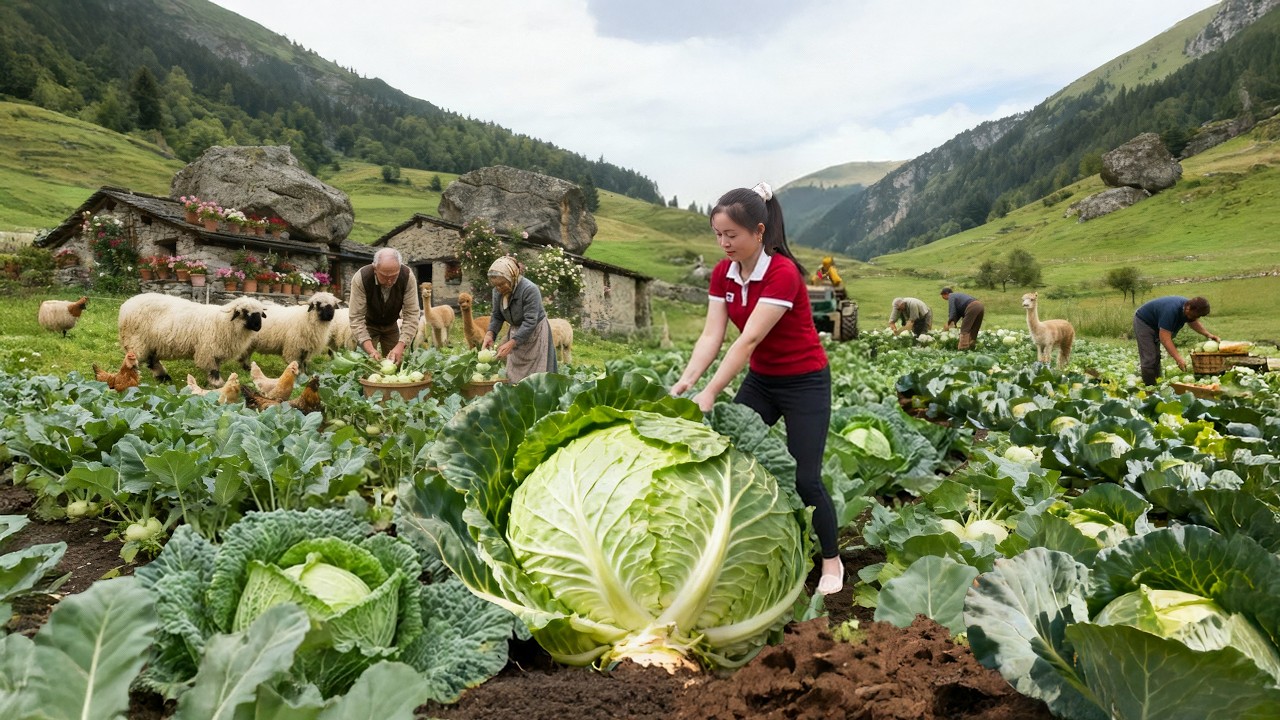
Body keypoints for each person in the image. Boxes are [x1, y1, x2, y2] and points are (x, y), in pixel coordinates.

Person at [670, 182, 843, 596]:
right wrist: (689, 379)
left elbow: (746, 341)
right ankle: (740, 539)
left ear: (759, 232)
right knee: (729, 456)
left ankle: (832, 562)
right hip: (763, 382)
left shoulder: (783, 273)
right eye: (718, 234)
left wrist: (710, 392)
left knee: (806, 478)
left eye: (732, 235)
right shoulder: (722, 274)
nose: (724, 243)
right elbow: (712, 336)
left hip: (804, 383)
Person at [482, 256, 557, 382]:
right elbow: (497, 315)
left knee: (537, 376)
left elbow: (530, 321)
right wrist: (490, 334)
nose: (499, 289)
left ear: (513, 277)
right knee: (514, 374)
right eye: (496, 286)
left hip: (535, 333)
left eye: (502, 284)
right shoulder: (497, 292)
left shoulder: (529, 290)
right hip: (516, 332)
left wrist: (511, 343)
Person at [348, 247, 420, 364]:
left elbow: (411, 314)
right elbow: (356, 318)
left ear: (399, 268)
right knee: (368, 364)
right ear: (375, 268)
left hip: (391, 325)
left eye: (394, 276)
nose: (389, 281)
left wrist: (401, 345)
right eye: (385, 276)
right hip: (368, 325)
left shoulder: (407, 276)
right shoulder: (361, 278)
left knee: (396, 363)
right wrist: (370, 350)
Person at [1133, 295, 1218, 385]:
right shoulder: (1170, 311)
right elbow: (1165, 339)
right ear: (1188, 308)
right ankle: (1149, 388)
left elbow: (1193, 322)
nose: (1195, 318)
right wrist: (1178, 359)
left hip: (1156, 322)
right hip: (1144, 322)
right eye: (1194, 315)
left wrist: (1208, 334)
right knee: (1149, 357)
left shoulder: (1189, 308)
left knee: (1156, 356)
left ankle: (1157, 383)